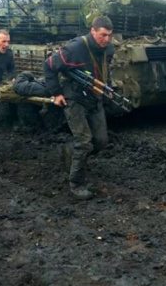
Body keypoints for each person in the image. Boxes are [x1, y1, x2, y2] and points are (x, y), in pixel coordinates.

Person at [44, 16, 115, 200]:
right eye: (102, 35)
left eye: (109, 35)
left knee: (100, 141)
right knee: (84, 141)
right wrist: (56, 93)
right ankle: (76, 183)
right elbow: (50, 66)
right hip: (73, 97)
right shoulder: (74, 48)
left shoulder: (108, 49)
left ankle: (71, 151)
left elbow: (105, 70)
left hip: (94, 97)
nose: (106, 39)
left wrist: (108, 87)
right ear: (93, 31)